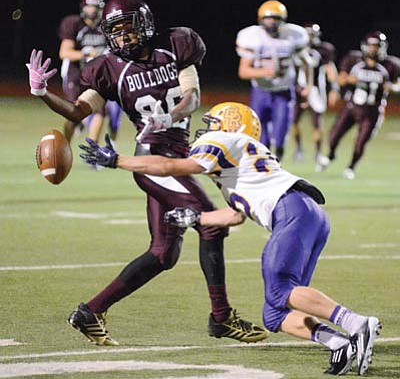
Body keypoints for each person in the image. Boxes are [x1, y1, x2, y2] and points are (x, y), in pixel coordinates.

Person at [26, 0, 268, 346]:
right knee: (212, 225)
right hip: (153, 157)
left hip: (175, 149)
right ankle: (221, 318)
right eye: (116, 32)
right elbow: (78, 111)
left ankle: (90, 311)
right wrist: (42, 93)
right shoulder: (108, 67)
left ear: (146, 24)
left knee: (163, 253)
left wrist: (172, 116)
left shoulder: (175, 45)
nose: (122, 38)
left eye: (128, 29)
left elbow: (193, 97)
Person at [80, 101, 381, 376]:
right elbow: (234, 216)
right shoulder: (241, 160)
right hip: (304, 214)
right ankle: (340, 343)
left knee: (281, 291)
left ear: (229, 125)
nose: (208, 128)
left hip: (291, 212)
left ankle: (356, 323)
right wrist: (196, 219)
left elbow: (173, 167)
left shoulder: (222, 140)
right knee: (274, 315)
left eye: (214, 122)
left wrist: (119, 161)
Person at [316, 31, 400, 179]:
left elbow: (397, 85)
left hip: (373, 110)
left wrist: (390, 87)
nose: (374, 49)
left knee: (361, 142)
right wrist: (349, 79)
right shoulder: (354, 60)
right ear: (365, 47)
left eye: (377, 46)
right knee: (334, 136)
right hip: (352, 107)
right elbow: (340, 80)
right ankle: (331, 155)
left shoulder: (391, 64)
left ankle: (351, 167)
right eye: (371, 46)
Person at [235, 0, 310, 161]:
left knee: (280, 134)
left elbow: (306, 63)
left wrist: (307, 86)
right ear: (260, 20)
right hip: (261, 91)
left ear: (283, 20)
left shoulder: (292, 37)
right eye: (268, 19)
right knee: (261, 136)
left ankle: (279, 157)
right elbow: (243, 71)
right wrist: (264, 71)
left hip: (284, 91)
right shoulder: (253, 38)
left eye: (276, 19)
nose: (272, 23)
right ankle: (266, 165)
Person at [58, 0, 123, 143]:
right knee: (73, 114)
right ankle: (64, 147)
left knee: (100, 111)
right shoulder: (74, 24)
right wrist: (87, 55)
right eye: (89, 7)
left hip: (96, 76)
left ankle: (93, 152)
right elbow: (64, 52)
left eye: (95, 7)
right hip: (75, 73)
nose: (92, 11)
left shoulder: (107, 28)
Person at [292, 23, 340, 169]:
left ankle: (318, 152)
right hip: (297, 88)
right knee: (293, 121)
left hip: (315, 90)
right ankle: (299, 147)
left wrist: (335, 89)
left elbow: (330, 69)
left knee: (317, 123)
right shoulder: (294, 48)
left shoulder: (323, 50)